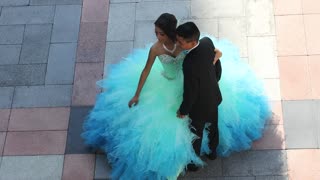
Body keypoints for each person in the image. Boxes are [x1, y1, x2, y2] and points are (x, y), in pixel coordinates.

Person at [82, 13, 271, 179]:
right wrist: (137, 94)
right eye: (155, 32)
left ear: (172, 33)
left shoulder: (184, 45)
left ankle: (198, 155)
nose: (157, 37)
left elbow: (204, 60)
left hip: (190, 84)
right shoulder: (156, 49)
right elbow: (146, 70)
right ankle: (195, 155)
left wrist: (215, 60)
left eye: (160, 33)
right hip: (168, 83)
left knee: (198, 124)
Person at [175, 22, 222, 171]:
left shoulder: (188, 63)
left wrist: (183, 110)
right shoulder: (207, 42)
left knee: (196, 135)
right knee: (213, 127)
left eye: (181, 42)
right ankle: (213, 152)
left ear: (193, 42)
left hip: (199, 107)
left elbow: (190, 91)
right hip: (213, 97)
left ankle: (194, 163)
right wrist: (216, 79)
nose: (178, 43)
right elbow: (216, 62)